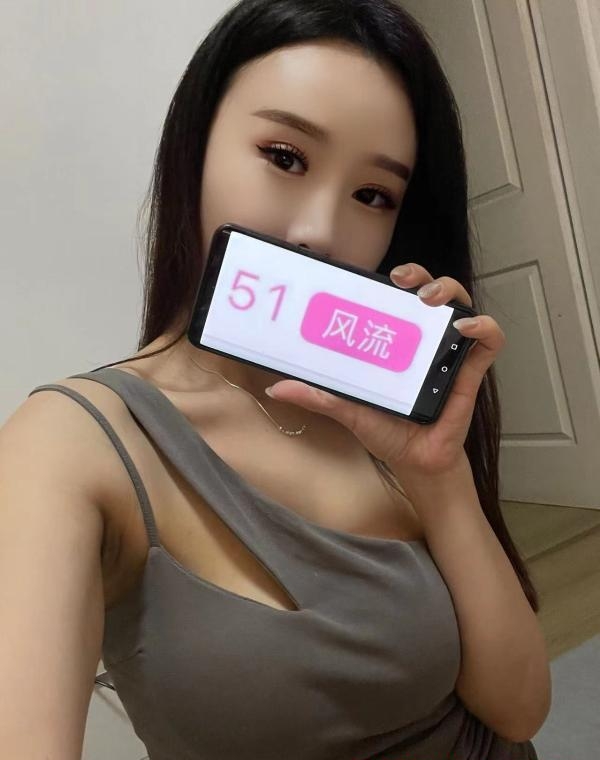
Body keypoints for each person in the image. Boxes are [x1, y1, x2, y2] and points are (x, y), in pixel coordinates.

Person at [0, 1, 551, 758]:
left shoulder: (387, 406)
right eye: (285, 157)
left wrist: (441, 478)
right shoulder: (71, 443)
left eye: (373, 195)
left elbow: (519, 712)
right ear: (195, 148)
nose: (318, 232)